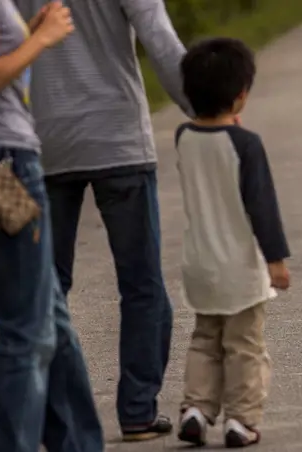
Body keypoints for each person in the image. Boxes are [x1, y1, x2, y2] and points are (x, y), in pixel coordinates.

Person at [13, 0, 194, 441]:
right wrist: (202, 107)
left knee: (46, 291)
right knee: (142, 283)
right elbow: (162, 43)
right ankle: (137, 412)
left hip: (44, 141)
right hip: (119, 141)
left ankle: (53, 417)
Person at [0, 2, 104, 451]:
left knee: (50, 316)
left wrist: (29, 32)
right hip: (6, 167)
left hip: (9, 162)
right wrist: (42, 39)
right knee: (29, 330)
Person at [173, 37, 291, 448]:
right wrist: (276, 260)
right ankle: (241, 419)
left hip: (200, 266)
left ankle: (195, 409)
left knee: (205, 339)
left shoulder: (182, 137)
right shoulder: (247, 144)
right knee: (244, 345)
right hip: (239, 268)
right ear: (241, 95)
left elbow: (212, 147)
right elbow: (262, 207)